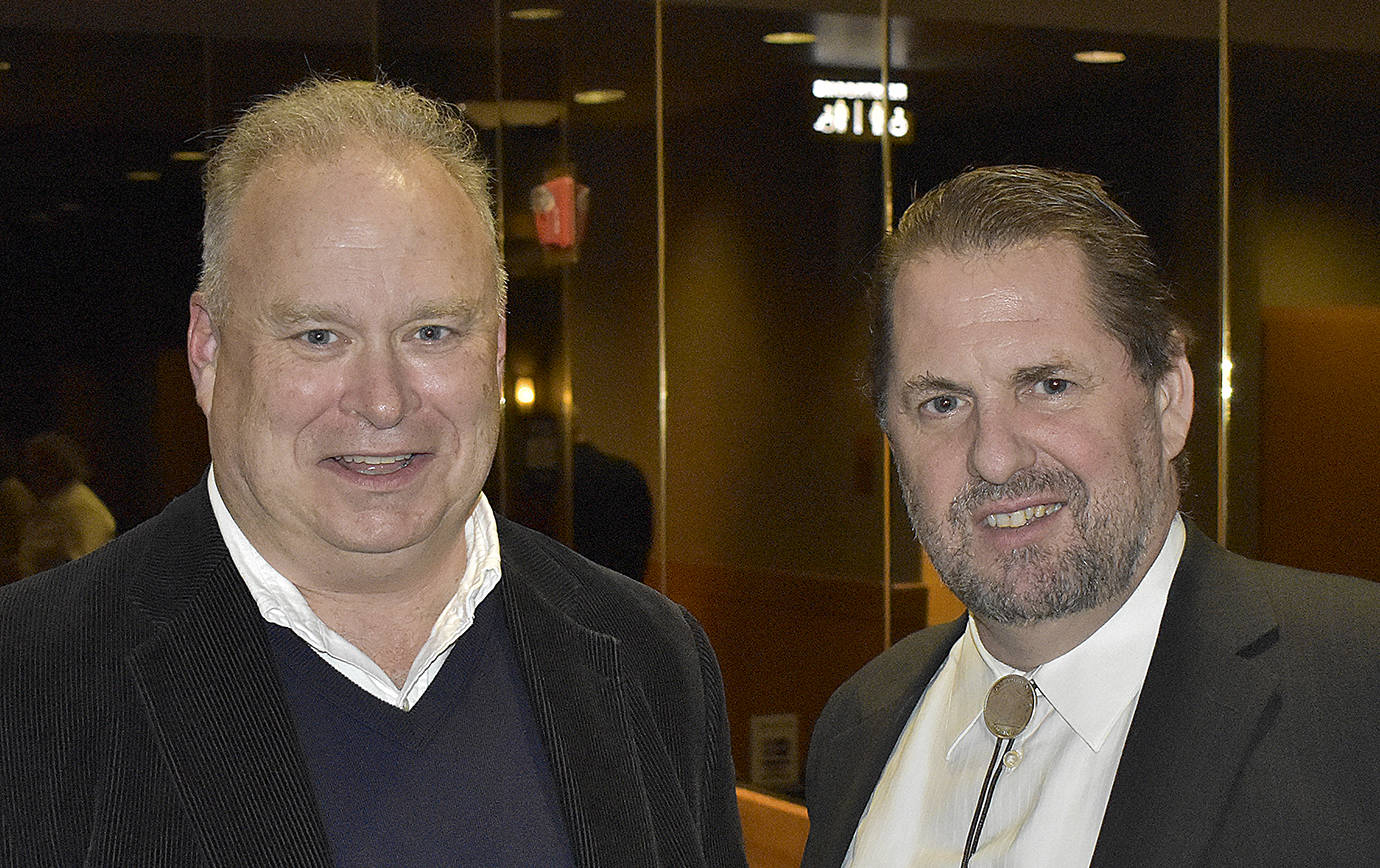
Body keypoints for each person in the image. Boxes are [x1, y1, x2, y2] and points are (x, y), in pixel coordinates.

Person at [0, 78, 746, 867]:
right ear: (208, 351)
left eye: (431, 331)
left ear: (493, 348)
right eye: (319, 336)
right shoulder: (30, 683)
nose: (384, 402)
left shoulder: (652, 659)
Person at [802, 165, 1380, 868]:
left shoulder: (1356, 694)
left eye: (1049, 385)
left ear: (1169, 399)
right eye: (942, 404)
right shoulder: (858, 726)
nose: (995, 458)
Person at [13, 431, 115, 577]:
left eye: (38, 468)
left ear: (57, 468)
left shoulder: (80, 508)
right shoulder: (51, 504)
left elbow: (85, 568)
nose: (30, 476)